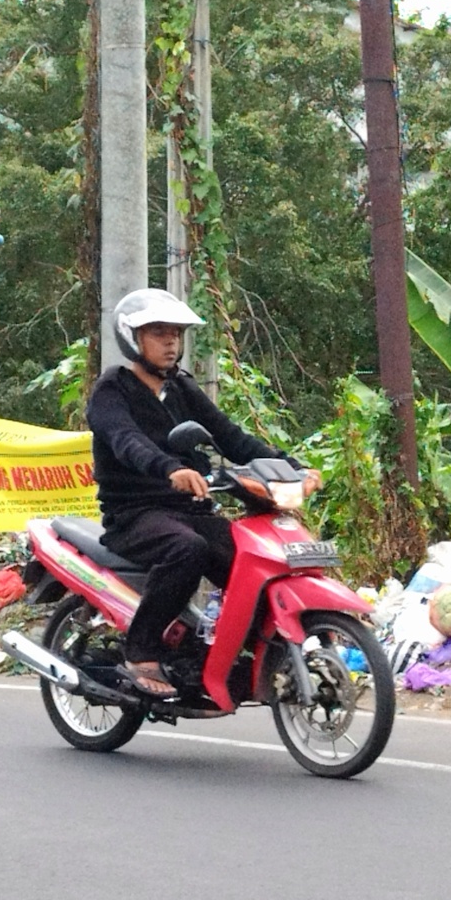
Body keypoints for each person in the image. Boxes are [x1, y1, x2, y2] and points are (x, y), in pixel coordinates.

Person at [86, 288, 321, 697]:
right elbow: (127, 442)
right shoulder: (112, 391)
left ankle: (229, 655)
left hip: (189, 509)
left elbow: (231, 437)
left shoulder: (181, 388)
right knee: (186, 549)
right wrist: (170, 468)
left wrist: (293, 469)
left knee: (254, 560)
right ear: (133, 339)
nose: (170, 342)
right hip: (134, 515)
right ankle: (140, 649)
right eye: (158, 332)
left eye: (175, 333)